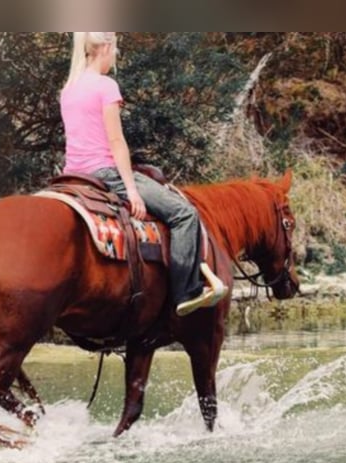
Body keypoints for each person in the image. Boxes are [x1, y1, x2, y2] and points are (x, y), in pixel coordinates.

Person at [60, 32, 226, 316]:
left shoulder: (68, 89)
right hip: (105, 173)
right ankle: (185, 292)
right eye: (116, 51)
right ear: (106, 48)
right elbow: (115, 141)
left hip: (72, 175)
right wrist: (132, 189)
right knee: (184, 214)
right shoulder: (105, 86)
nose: (114, 58)